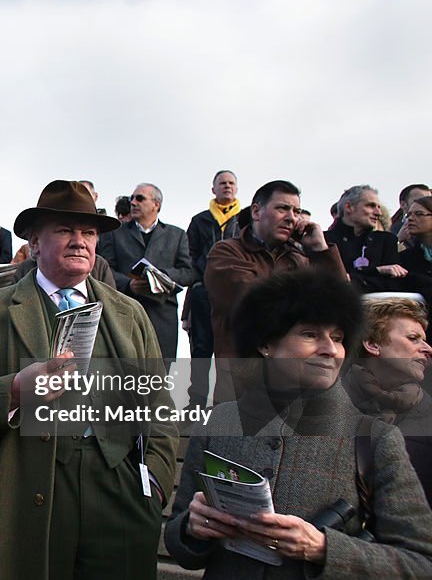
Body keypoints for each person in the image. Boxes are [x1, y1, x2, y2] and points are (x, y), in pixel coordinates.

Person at [0, 180, 178, 580]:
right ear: (35, 242)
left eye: (89, 233)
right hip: (22, 482)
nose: (80, 241)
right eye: (64, 230)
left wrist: (155, 480)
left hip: (115, 483)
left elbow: (159, 405)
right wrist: (15, 390)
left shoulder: (129, 312)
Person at [165, 269, 432, 580]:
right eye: (310, 334)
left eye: (337, 338)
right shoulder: (217, 424)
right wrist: (191, 529)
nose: (330, 350)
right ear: (266, 343)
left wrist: (323, 549)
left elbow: (422, 573)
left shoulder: (375, 438)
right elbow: (180, 542)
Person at [205, 180, 346, 361]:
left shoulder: (300, 257)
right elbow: (254, 301)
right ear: (256, 212)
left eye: (296, 212)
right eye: (282, 209)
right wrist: (311, 297)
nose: (292, 218)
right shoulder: (226, 252)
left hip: (295, 372)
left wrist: (321, 251)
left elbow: (341, 304)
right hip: (245, 372)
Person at [344, 297, 432, 505]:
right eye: (413, 338)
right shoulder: (322, 403)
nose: (428, 349)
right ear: (372, 344)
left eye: (424, 339)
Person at [97, 182, 194, 363]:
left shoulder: (177, 235)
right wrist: (128, 284)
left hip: (162, 317)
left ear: (156, 204)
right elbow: (105, 268)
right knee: (124, 377)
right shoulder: (114, 233)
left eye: (139, 198)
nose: (133, 202)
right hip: (124, 314)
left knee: (160, 378)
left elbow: (188, 272)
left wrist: (159, 277)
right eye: (132, 198)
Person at [185, 171, 241, 407]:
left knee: (229, 350)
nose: (227, 187)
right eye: (222, 183)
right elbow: (189, 256)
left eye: (231, 183)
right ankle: (196, 402)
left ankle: (225, 403)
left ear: (236, 188)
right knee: (201, 349)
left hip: (234, 295)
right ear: (213, 189)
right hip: (203, 293)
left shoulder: (244, 221)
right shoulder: (200, 220)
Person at [325, 185, 405, 292]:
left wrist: (352, 278)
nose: (378, 213)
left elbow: (392, 285)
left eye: (379, 207)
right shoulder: (325, 241)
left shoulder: (386, 241)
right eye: (371, 206)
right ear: (349, 207)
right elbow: (332, 283)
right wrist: (377, 271)